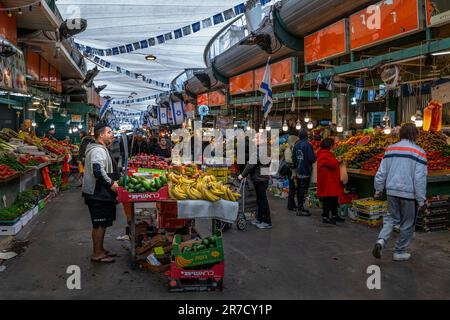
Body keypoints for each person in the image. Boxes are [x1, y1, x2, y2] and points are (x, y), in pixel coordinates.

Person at [372, 123, 427, 262]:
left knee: (390, 219)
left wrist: (378, 189)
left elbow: (381, 172)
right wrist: (421, 199)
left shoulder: (390, 149)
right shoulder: (419, 152)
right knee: (407, 223)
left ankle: (381, 241)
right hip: (408, 194)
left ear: (401, 133)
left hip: (391, 192)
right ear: (415, 135)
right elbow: (419, 178)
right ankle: (399, 251)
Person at [82, 122, 119, 263]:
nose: (112, 135)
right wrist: (111, 184)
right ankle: (97, 254)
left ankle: (100, 249)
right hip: (97, 193)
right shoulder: (97, 150)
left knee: (103, 223)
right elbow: (98, 171)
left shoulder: (100, 148)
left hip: (101, 193)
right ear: (101, 134)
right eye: (109, 132)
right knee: (99, 224)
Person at [238, 133, 272, 229]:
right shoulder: (266, 148)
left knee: (262, 200)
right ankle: (260, 218)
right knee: (260, 200)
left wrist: (242, 175)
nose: (255, 139)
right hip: (262, 177)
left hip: (260, 178)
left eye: (257, 137)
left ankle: (267, 221)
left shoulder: (260, 149)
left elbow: (251, 163)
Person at [316, 138, 345, 224]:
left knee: (333, 198)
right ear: (330, 146)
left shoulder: (325, 154)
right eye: (333, 144)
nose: (334, 146)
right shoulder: (324, 154)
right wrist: (338, 161)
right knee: (327, 199)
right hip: (327, 181)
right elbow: (332, 164)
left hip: (330, 181)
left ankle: (334, 215)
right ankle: (325, 216)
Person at [292, 128, 316, 216]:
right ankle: (300, 209)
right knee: (303, 190)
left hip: (298, 171)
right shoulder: (308, 145)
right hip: (306, 171)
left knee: (299, 189)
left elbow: (294, 159)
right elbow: (312, 159)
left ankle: (299, 207)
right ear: (306, 135)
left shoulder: (296, 145)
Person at [285, 134, 299, 211]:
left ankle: (292, 204)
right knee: (292, 188)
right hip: (291, 170)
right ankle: (291, 205)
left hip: (290, 170)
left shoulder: (289, 148)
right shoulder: (290, 149)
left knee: (292, 188)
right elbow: (289, 160)